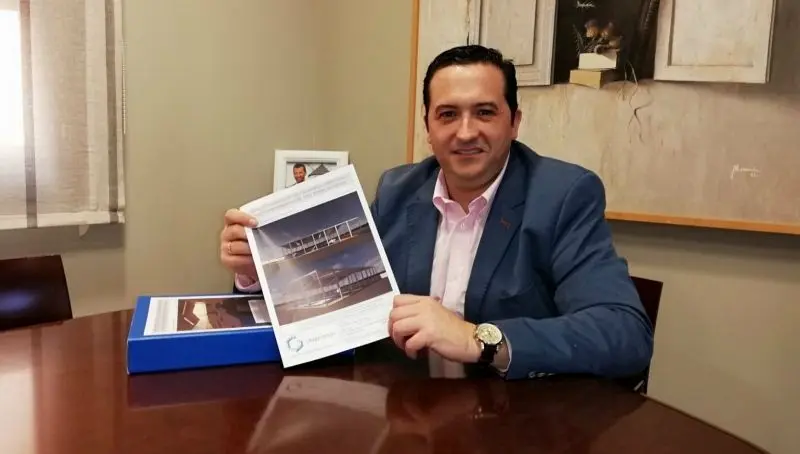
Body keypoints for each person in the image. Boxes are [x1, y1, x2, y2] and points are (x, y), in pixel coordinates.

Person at [220, 45, 653, 380]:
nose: (465, 132)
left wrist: (478, 339)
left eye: (484, 112)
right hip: (412, 417)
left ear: (514, 122)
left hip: (517, 423)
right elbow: (335, 297)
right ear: (428, 126)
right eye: (448, 115)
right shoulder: (398, 190)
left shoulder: (562, 196)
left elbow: (625, 333)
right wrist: (259, 272)